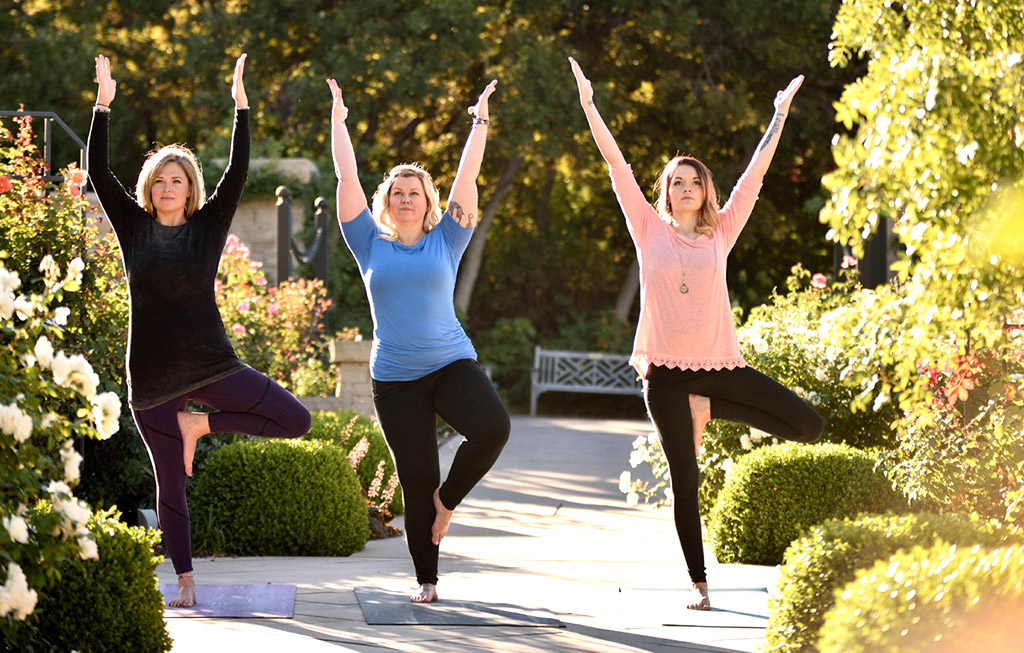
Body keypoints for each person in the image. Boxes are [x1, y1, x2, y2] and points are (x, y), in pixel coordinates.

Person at [569, 57, 824, 611]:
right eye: (676, 182)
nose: (685, 188)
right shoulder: (647, 228)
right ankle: (699, 584)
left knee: (808, 425)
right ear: (666, 190)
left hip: (719, 369)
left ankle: (707, 404)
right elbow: (615, 165)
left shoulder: (721, 233)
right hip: (663, 376)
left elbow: (754, 176)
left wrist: (777, 117)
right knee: (685, 480)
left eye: (695, 182)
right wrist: (590, 104)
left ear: (707, 192)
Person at [87, 53, 311, 608]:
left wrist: (241, 107)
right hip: (154, 378)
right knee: (171, 486)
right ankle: (185, 580)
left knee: (296, 420)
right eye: (160, 180)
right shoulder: (134, 230)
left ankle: (201, 425)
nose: (168, 187)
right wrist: (103, 105)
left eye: (178, 180)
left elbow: (236, 175)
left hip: (214, 365)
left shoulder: (208, 227)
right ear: (149, 188)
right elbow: (96, 171)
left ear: (190, 190)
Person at [327, 77, 510, 604]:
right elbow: (347, 175)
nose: (407, 199)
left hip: (451, 363)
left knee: (493, 428)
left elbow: (469, 175)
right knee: (415, 480)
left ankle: (448, 501)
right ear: (386, 203)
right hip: (395, 380)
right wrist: (339, 121)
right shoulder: (366, 242)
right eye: (398, 193)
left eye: (416, 192)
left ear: (428, 202)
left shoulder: (449, 237)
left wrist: (479, 120)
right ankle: (427, 582)